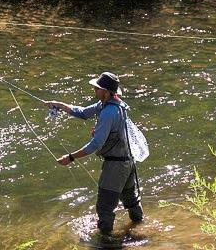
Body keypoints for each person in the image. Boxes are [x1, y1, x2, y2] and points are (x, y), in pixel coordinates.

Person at [44, 72, 143, 236]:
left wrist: (70, 157)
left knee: (105, 207)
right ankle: (140, 229)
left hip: (116, 167)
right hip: (128, 162)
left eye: (96, 88)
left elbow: (96, 144)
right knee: (131, 201)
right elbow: (82, 112)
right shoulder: (111, 105)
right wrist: (59, 105)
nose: (94, 91)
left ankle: (105, 246)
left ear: (105, 91)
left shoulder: (108, 112)